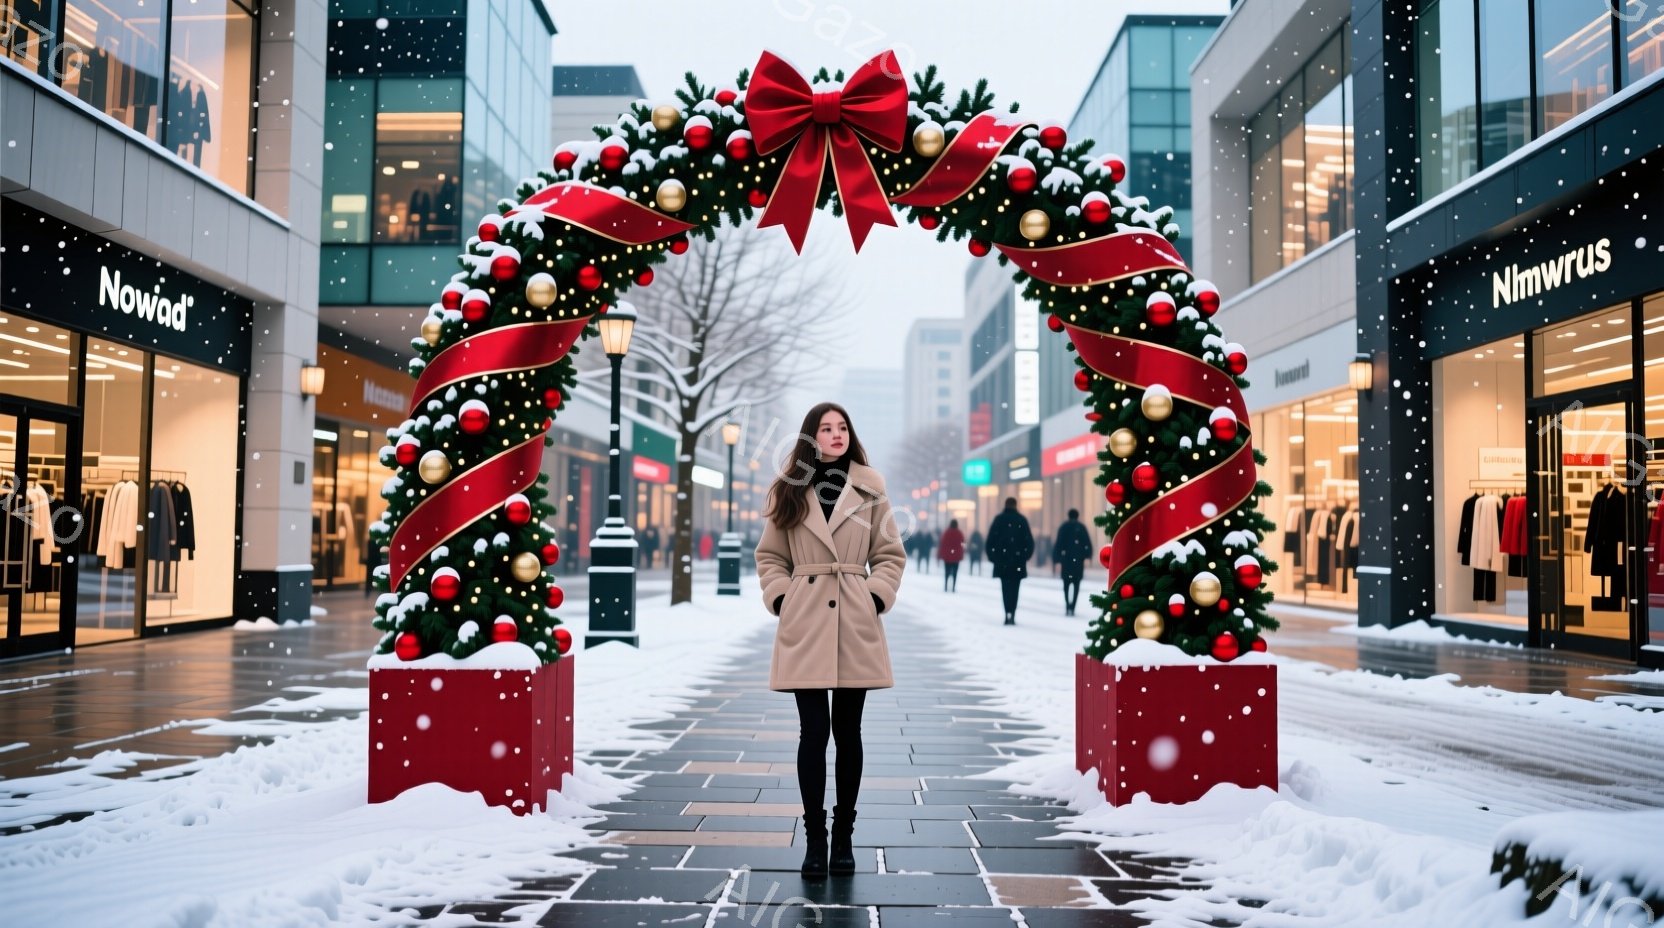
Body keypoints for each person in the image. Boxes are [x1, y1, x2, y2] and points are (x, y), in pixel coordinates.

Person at [754, 402, 906, 880]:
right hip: (805, 621)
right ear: (810, 436)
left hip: (855, 619)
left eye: (842, 428)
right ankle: (814, 838)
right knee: (812, 733)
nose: (836, 435)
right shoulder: (789, 487)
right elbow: (770, 556)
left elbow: (889, 554)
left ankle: (844, 837)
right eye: (826, 428)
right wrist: (782, 599)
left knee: (849, 733)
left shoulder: (870, 487)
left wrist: (876, 597)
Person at [984, 498, 1034, 625]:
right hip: (1017, 561)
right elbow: (1029, 542)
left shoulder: (999, 520)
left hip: (1002, 562)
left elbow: (990, 541)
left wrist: (993, 557)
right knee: (1015, 589)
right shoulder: (1021, 520)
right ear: (1016, 505)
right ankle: (1013, 613)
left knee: (1005, 588)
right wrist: (1025, 556)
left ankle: (1007, 613)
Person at [1052, 509, 1094, 616]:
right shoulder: (1081, 527)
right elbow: (1087, 543)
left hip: (1066, 561)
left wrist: (1056, 559)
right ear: (1077, 516)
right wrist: (1087, 555)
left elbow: (1058, 544)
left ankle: (1067, 605)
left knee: (1066, 584)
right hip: (1078, 561)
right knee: (1076, 584)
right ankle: (1073, 606)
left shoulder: (1063, 527)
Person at [938, 519, 965, 592]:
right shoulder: (960, 533)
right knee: (955, 573)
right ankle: (953, 587)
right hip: (956, 557)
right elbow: (962, 544)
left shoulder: (946, 533)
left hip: (947, 557)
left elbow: (942, 544)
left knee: (947, 572)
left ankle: (946, 586)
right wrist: (961, 553)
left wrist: (941, 554)